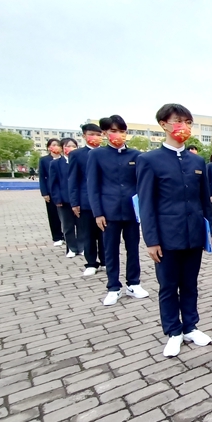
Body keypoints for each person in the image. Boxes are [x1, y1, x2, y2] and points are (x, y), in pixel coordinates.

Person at [136, 103, 212, 358]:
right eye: (178, 121)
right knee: (169, 286)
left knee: (190, 284)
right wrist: (151, 240)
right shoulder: (149, 160)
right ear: (163, 124)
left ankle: (191, 326)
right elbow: (146, 203)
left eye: (188, 122)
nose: (184, 127)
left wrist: (208, 230)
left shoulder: (196, 160)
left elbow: (205, 200)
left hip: (193, 234)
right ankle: (173, 331)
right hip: (166, 238)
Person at [88, 115, 149, 306]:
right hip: (109, 212)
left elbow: (142, 184)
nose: (118, 135)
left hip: (132, 211)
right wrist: (98, 212)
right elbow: (93, 186)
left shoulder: (136, 155)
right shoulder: (96, 155)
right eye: (114, 131)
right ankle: (113, 287)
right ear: (105, 133)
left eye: (122, 131)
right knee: (110, 250)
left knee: (133, 248)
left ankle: (134, 283)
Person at [68, 123, 106, 276]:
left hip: (105, 200)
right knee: (88, 233)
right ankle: (91, 263)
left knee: (105, 234)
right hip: (86, 201)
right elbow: (73, 179)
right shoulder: (77, 155)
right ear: (84, 136)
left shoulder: (105, 153)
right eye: (91, 134)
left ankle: (105, 261)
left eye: (98, 134)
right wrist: (74, 202)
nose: (95, 137)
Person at [49, 138, 81, 258]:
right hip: (64, 200)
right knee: (68, 226)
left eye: (74, 146)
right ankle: (72, 248)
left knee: (81, 225)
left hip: (78, 200)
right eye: (68, 146)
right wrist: (57, 199)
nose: (71, 148)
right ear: (62, 148)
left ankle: (81, 246)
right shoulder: (55, 163)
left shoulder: (79, 162)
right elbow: (53, 183)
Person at [39, 139, 65, 247]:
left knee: (66, 216)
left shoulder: (64, 159)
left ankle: (68, 236)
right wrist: (44, 193)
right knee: (53, 215)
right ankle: (57, 237)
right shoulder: (44, 160)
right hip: (51, 192)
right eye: (53, 145)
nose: (56, 147)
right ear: (49, 147)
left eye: (58, 145)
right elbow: (42, 177)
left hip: (64, 190)